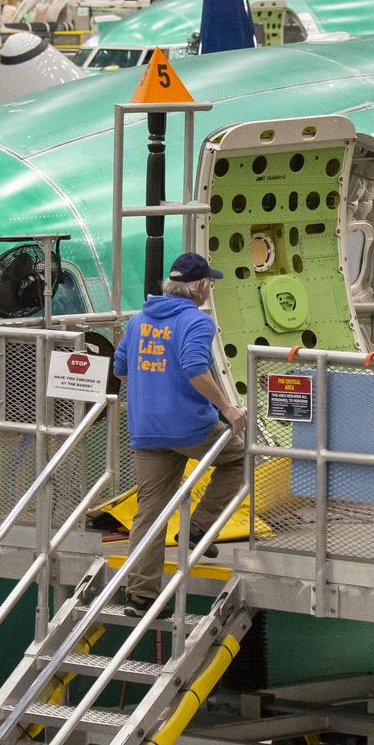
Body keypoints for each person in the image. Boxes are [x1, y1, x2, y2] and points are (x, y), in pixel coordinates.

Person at [113, 252, 248, 614]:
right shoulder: (196, 322)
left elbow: (122, 369)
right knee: (240, 460)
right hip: (190, 427)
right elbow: (195, 369)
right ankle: (200, 527)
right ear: (200, 286)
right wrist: (229, 408)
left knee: (150, 513)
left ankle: (141, 596)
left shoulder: (139, 320)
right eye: (210, 283)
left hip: (146, 429)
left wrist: (154, 385)